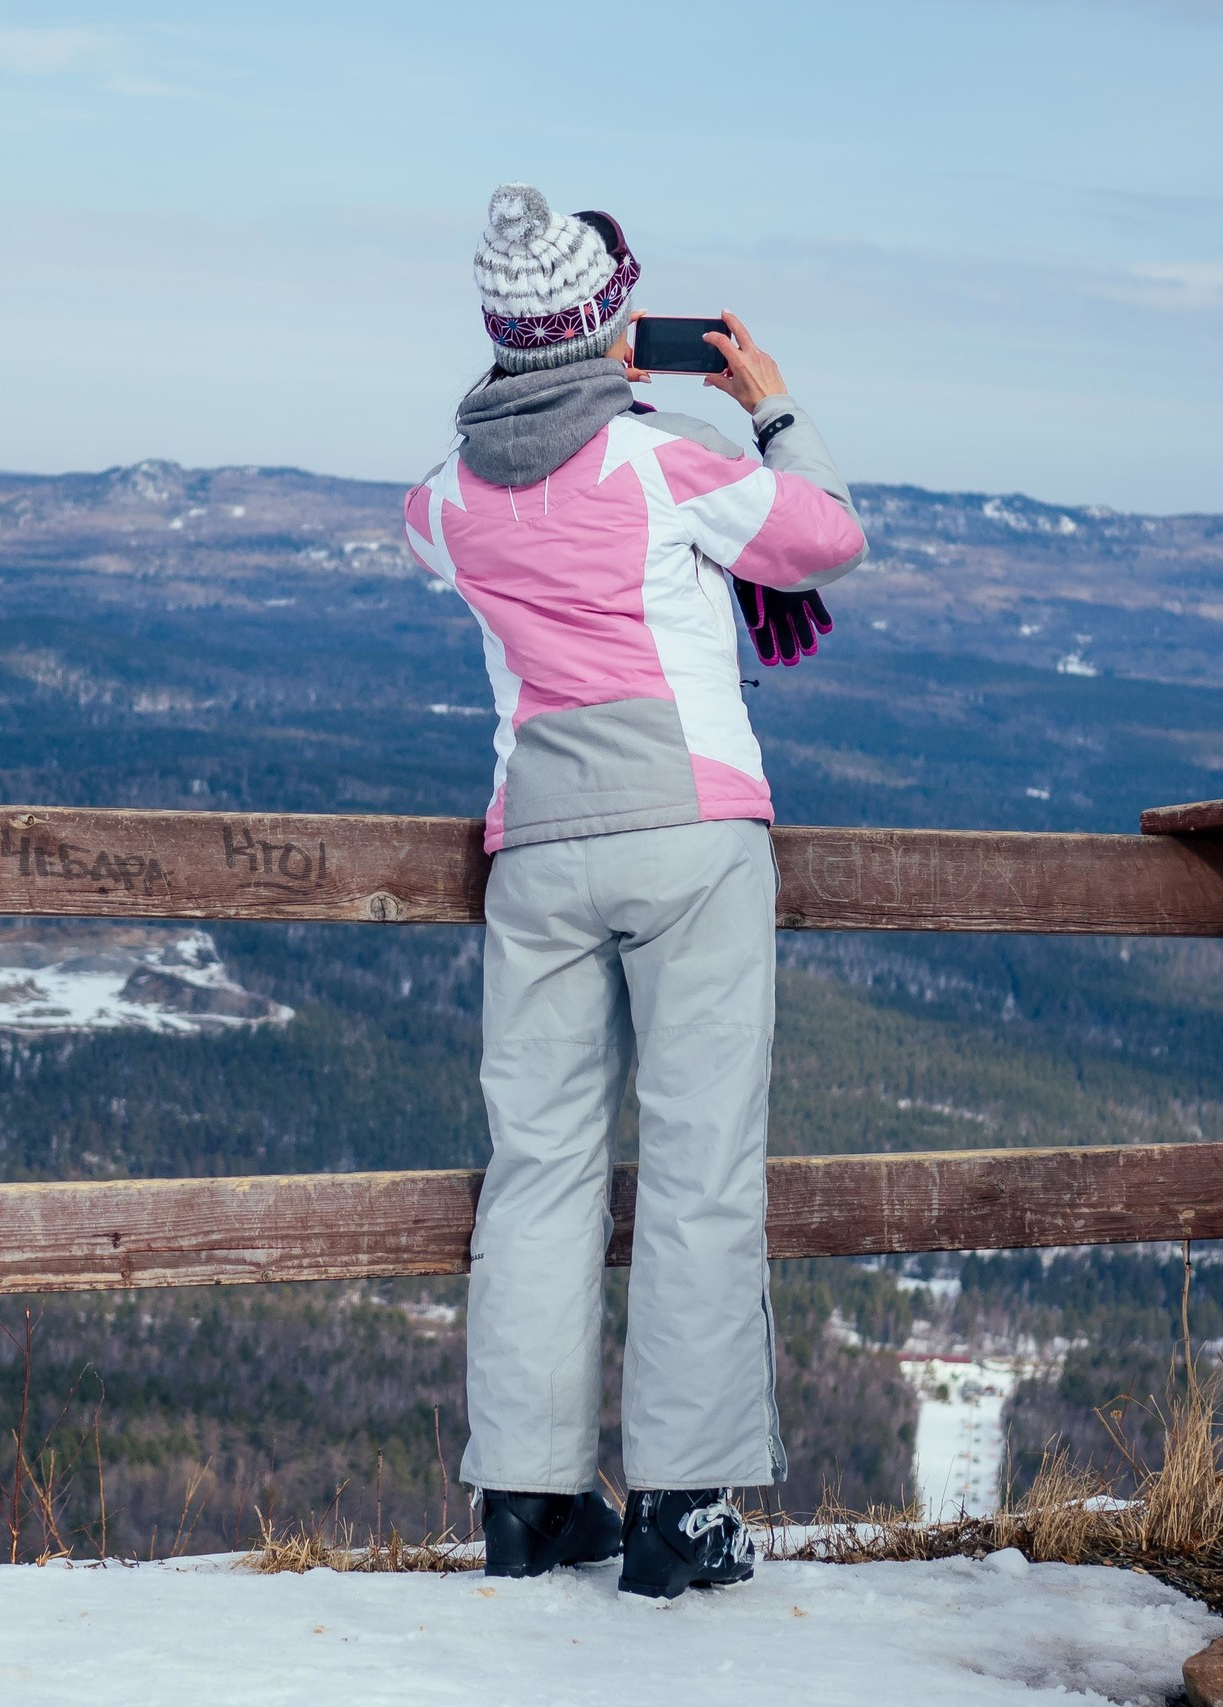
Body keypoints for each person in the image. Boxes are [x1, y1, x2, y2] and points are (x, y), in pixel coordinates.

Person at [402, 183, 867, 1600]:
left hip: (535, 850)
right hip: (689, 836)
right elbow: (822, 539)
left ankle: (530, 1501)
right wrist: (772, 406)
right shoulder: (665, 465)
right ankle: (678, 1509)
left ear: (499, 332)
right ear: (611, 324)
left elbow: (473, 501)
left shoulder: (442, 505)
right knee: (695, 1169)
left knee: (536, 1173)